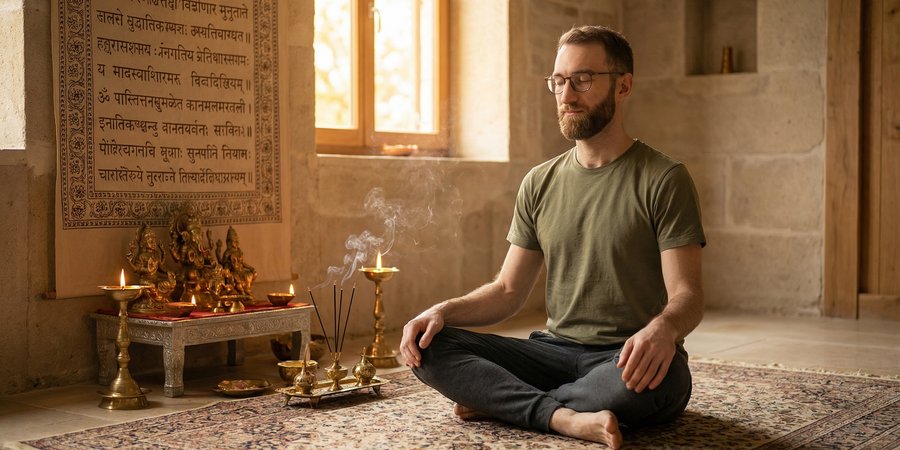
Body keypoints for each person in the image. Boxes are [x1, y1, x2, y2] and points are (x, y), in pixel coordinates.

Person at [399, 25, 706, 449]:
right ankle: (565, 418)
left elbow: (687, 295)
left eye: (583, 79)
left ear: (624, 85)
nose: (567, 94)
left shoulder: (664, 178)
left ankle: (506, 403)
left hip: (623, 357)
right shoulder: (539, 182)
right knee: (429, 345)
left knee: (665, 379)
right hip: (551, 354)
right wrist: (442, 311)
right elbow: (507, 291)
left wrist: (663, 331)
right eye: (559, 81)